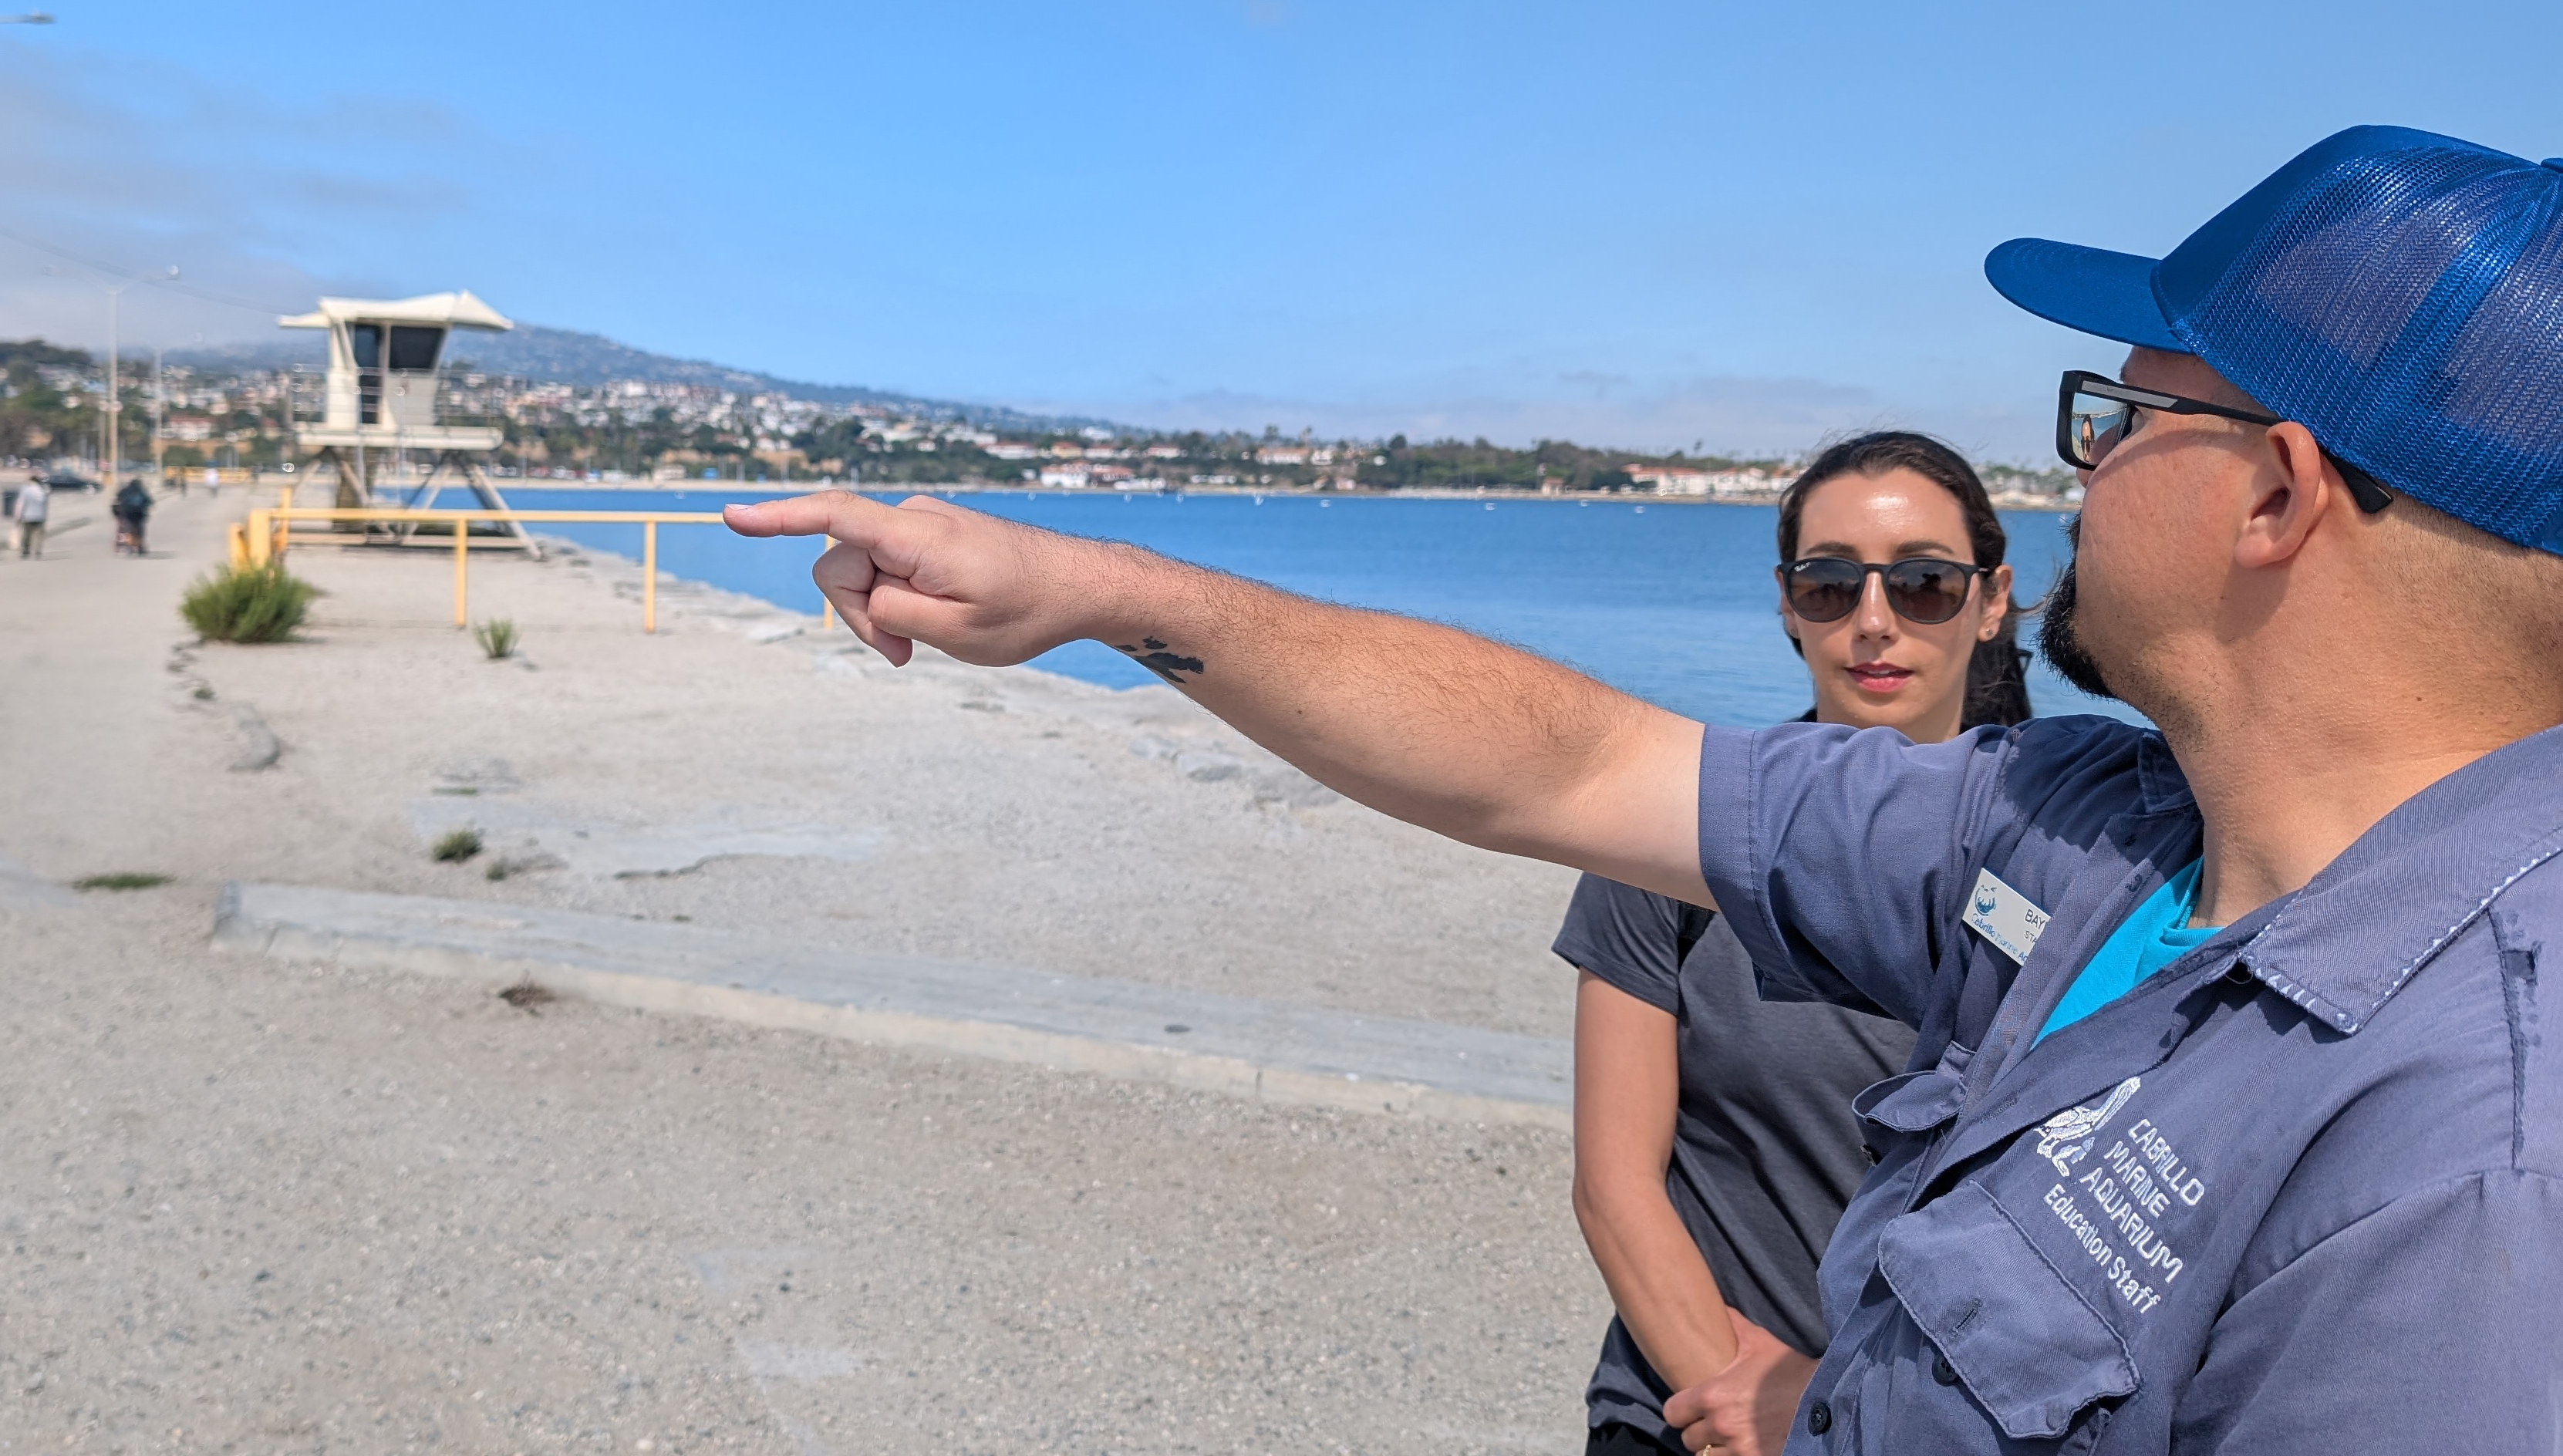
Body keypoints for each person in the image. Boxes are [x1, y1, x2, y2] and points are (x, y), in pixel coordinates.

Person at [726, 124, 2563, 1451]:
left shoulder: (2475, 1152)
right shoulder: (2079, 823)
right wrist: (1104, 592)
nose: (2077, 465)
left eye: (2121, 415)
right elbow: (1577, 760)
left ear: (2274, 492)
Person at [1565, 432, 2027, 1456]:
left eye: (1919, 583)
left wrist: (1863, 1421)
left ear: (1989, 599)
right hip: (1694, 1416)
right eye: (1828, 586)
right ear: (1786, 603)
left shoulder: (2073, 865)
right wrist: (1766, 1413)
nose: (1872, 622)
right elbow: (1613, 1181)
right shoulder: (1675, 840)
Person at [113, 477, 152, 556]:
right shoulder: (141, 491)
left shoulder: (125, 490)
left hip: (127, 514)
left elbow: (118, 497)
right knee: (140, 531)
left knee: (127, 529)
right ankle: (141, 548)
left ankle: (128, 547)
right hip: (139, 515)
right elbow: (149, 501)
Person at [10, 474, 46, 558]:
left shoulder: (26, 490)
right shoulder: (42, 490)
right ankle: (37, 551)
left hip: (28, 516)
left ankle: (26, 551)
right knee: (38, 535)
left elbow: (21, 504)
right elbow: (45, 504)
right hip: (40, 516)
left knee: (27, 535)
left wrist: (17, 517)